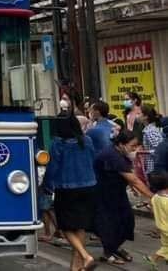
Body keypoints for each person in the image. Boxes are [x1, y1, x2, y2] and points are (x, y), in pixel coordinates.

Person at [41, 113, 98, 271]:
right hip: (89, 186)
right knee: (80, 226)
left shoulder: (58, 143)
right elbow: (93, 161)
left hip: (67, 189)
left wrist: (47, 186)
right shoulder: (87, 140)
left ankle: (86, 256)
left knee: (65, 226)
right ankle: (76, 267)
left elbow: (52, 169)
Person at [93, 130, 153, 264]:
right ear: (121, 144)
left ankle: (114, 248)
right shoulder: (112, 156)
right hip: (104, 194)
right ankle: (108, 253)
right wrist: (153, 197)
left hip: (117, 192)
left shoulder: (121, 154)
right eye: (132, 146)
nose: (135, 149)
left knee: (127, 221)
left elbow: (129, 174)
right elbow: (134, 179)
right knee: (109, 224)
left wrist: (133, 187)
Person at [148, 171, 168, 265]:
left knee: (166, 246)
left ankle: (153, 259)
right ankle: (153, 258)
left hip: (161, 226)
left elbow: (152, 209)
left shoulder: (154, 198)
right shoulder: (166, 201)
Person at [142, 106, 164, 177]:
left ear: (146, 117)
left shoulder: (150, 131)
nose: (136, 115)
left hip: (155, 170)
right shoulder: (148, 130)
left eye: (138, 113)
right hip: (153, 169)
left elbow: (159, 151)